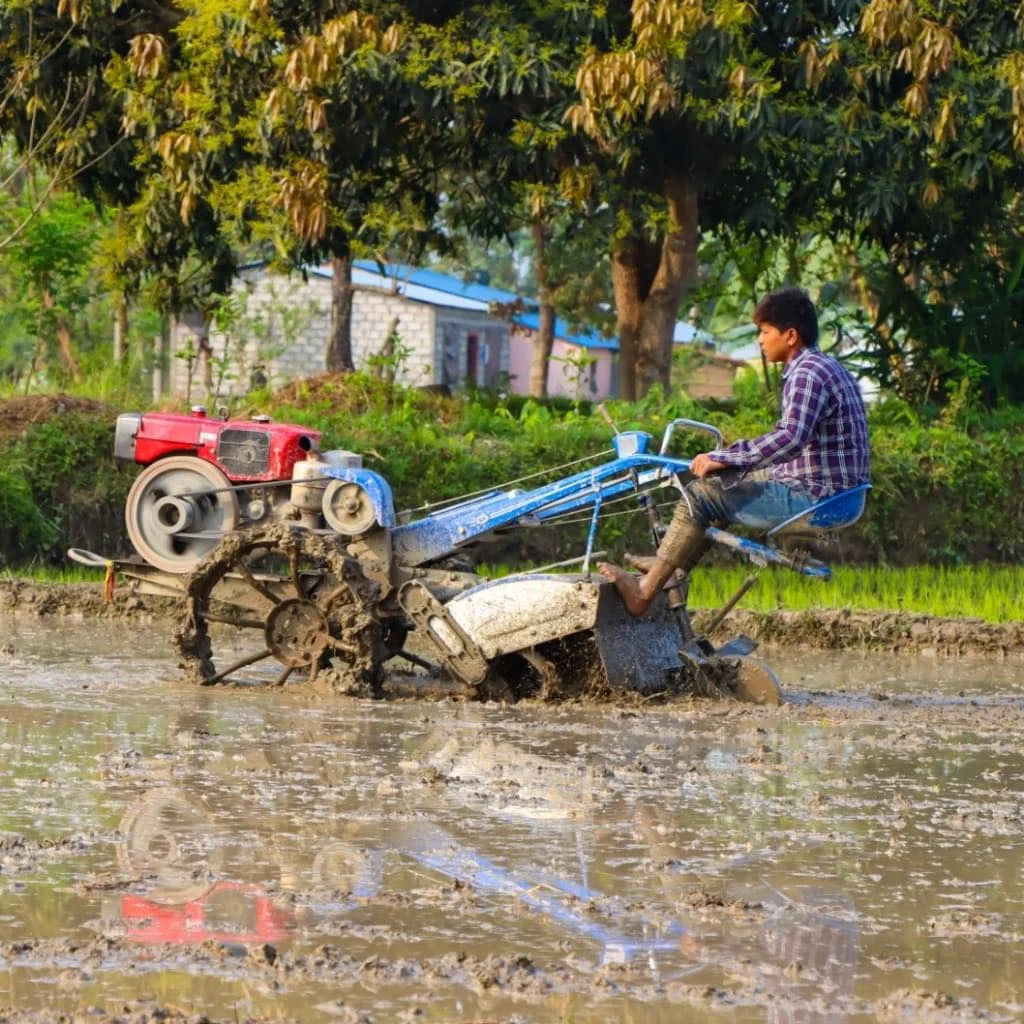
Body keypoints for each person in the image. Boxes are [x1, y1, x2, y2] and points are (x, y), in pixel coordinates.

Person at [599, 286, 870, 616]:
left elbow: (790, 439)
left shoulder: (807, 373)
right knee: (725, 482)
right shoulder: (824, 366)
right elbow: (790, 439)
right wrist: (727, 462)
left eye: (765, 331)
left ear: (791, 335)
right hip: (835, 493)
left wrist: (723, 457)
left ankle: (644, 591)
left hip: (817, 497)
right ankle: (670, 571)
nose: (759, 339)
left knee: (699, 495)